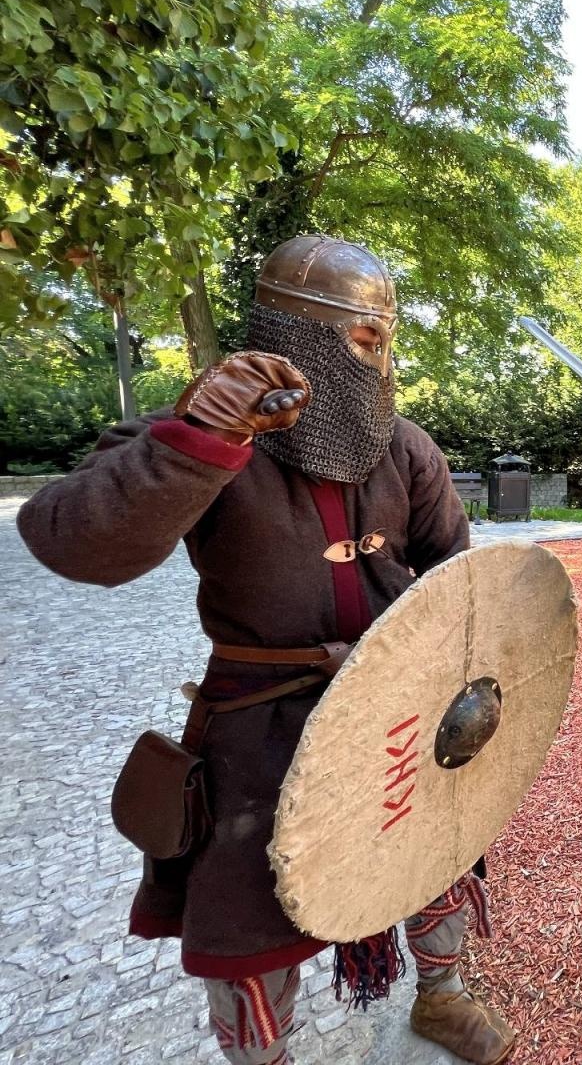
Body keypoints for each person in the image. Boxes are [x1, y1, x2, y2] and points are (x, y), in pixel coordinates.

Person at [18, 236, 514, 1065]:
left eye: (381, 336)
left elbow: (455, 574)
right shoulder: (201, 442)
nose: (377, 355)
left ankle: (442, 995)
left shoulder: (403, 446)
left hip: (399, 699)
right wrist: (203, 439)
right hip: (261, 718)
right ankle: (265, 1058)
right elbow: (71, 540)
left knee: (432, 856)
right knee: (251, 916)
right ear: (294, 336)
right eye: (359, 335)